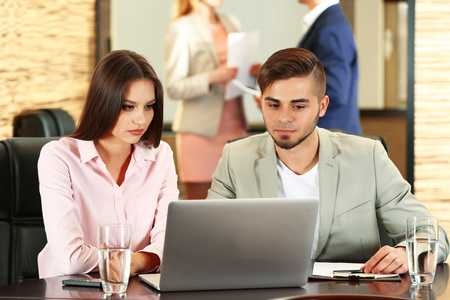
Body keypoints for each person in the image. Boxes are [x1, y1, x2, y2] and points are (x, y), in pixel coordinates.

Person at [207, 48, 449, 274]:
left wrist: (408, 253)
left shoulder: (368, 156)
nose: (284, 118)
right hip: (264, 290)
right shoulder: (236, 158)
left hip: (351, 294)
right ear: (261, 102)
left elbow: (432, 234)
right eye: (273, 105)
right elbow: (206, 237)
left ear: (322, 106)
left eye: (298, 106)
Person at [37, 50, 179, 278]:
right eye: (128, 106)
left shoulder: (160, 155)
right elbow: (70, 259)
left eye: (149, 106)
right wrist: (133, 261)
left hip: (137, 288)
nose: (141, 119)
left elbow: (170, 243)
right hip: (68, 289)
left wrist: (136, 262)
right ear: (104, 102)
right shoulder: (58, 157)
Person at [164, 0, 259, 199]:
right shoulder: (180, 28)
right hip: (200, 135)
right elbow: (174, 87)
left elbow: (238, 77)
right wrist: (212, 77)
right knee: (202, 209)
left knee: (238, 205)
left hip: (236, 130)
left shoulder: (231, 23)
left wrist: (254, 73)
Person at [297, 0, 361, 134]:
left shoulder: (330, 28)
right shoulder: (328, 22)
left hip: (329, 139)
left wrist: (285, 102)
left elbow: (334, 91)